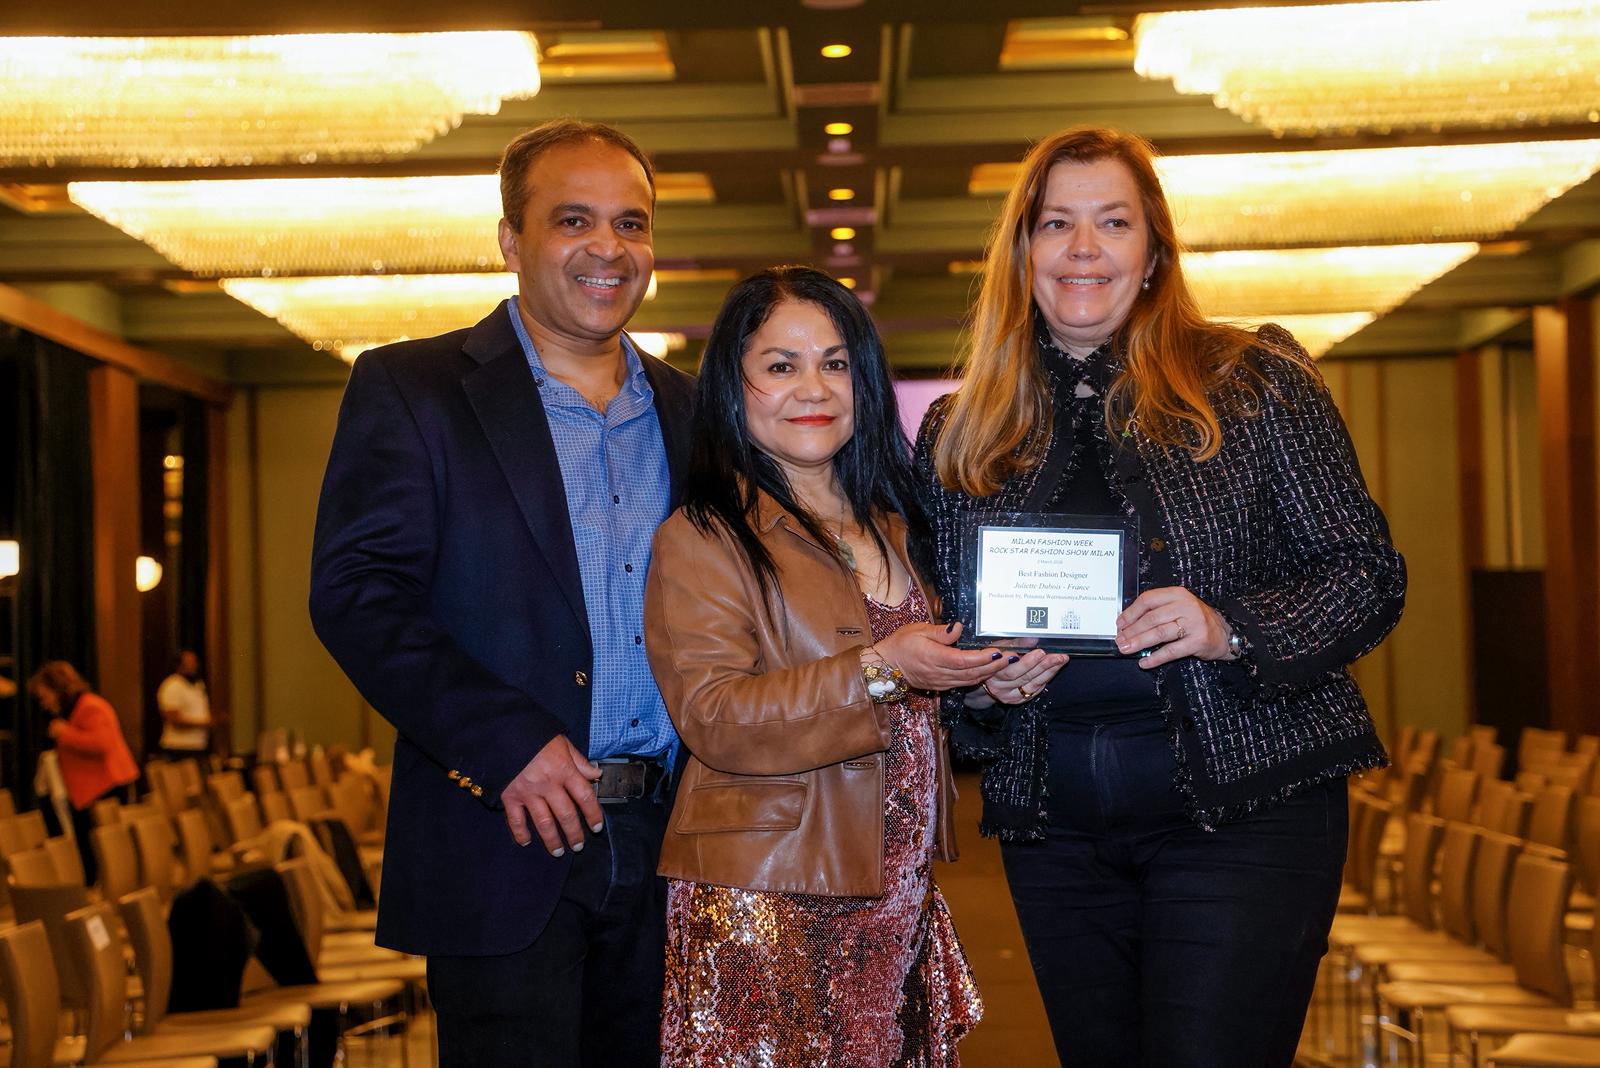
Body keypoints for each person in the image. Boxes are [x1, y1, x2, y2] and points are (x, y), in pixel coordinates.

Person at [912, 126, 1407, 1067]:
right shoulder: (960, 429)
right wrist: (981, 686)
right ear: (1022, 252)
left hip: (1246, 815)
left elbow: (1365, 572)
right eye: (1056, 224)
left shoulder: (1253, 383)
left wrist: (1230, 628)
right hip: (1055, 833)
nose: (1083, 248)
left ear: (1153, 253)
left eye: (1113, 223)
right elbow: (942, 626)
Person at [309, 119, 695, 1067]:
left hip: (677, 848)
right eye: (574, 220)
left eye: (632, 223)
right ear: (511, 240)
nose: (609, 248)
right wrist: (505, 743)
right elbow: (358, 593)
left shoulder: (695, 410)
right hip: (502, 835)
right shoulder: (414, 387)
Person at [645, 267, 1058, 1065]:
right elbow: (715, 718)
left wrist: (983, 690)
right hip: (771, 900)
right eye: (781, 365)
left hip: (897, 890)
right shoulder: (704, 535)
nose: (815, 388)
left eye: (835, 364)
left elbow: (921, 695)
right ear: (733, 386)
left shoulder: (896, 523)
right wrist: (880, 667)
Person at [27, 660, 138, 885]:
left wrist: (64, 733)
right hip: (91, 789)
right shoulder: (79, 708)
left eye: (45, 696)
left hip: (104, 787)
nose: (44, 703)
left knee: (104, 852)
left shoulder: (90, 706)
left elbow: (102, 744)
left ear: (58, 689)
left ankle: (100, 893)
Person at [156, 649, 212, 756]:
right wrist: (206, 723)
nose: (195, 665)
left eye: (195, 662)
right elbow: (173, 719)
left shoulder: (198, 685)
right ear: (179, 665)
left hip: (199, 745)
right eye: (190, 662)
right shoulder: (172, 685)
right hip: (178, 746)